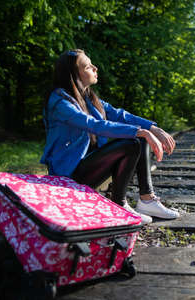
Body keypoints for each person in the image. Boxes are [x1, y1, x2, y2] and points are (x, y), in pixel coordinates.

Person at [40, 49, 180, 224]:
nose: (95, 68)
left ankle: (147, 200)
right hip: (68, 177)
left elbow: (120, 115)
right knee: (133, 142)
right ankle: (120, 204)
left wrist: (152, 128)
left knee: (140, 138)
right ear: (74, 74)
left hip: (86, 168)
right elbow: (93, 125)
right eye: (88, 66)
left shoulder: (89, 99)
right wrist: (140, 131)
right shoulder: (60, 102)